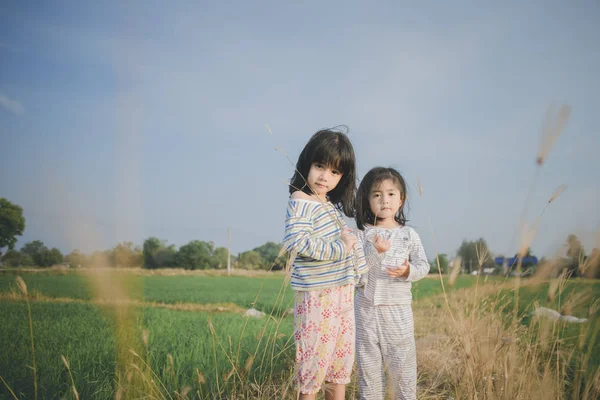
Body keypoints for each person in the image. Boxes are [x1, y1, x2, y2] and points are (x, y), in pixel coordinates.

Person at [282, 128, 368, 400]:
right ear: (307, 163)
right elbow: (297, 242)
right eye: (319, 166)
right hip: (317, 296)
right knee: (313, 363)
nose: (324, 177)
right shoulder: (301, 200)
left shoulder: (330, 205)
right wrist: (340, 247)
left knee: (339, 365)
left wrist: (360, 270)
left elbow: (349, 247)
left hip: (342, 293)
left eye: (334, 172)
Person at [354, 167, 430, 400]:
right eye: (376, 194)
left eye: (390, 194)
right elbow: (357, 274)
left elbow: (423, 265)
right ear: (367, 200)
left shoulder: (408, 234)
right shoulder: (362, 234)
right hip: (366, 311)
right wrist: (375, 253)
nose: (384, 200)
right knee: (369, 373)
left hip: (398, 311)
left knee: (403, 372)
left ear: (401, 199)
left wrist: (408, 271)